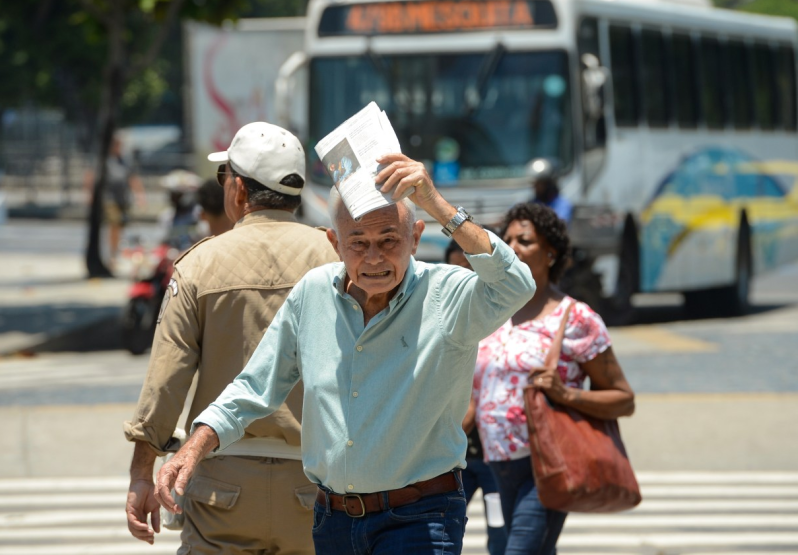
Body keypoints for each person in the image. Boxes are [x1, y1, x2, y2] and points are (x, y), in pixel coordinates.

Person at [153, 153, 537, 555]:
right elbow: (255, 386)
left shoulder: (447, 294)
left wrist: (436, 202)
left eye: (389, 240)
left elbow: (515, 286)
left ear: (416, 237)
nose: (373, 258)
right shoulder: (312, 292)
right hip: (333, 520)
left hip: (421, 516)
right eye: (358, 243)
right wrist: (194, 446)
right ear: (334, 243)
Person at [123, 121, 340, 554]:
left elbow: (167, 380)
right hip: (316, 481)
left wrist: (142, 474)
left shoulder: (200, 264)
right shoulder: (337, 258)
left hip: (220, 482)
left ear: (238, 190)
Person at [472, 202, 635, 555]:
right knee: (503, 549)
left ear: (551, 254)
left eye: (525, 241)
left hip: (545, 464)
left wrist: (565, 394)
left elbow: (623, 398)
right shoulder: (489, 311)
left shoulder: (575, 318)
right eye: (507, 239)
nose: (512, 247)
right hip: (492, 465)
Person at [446, 239, 508, 555]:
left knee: (500, 535)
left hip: (495, 457)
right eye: (456, 267)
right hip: (456, 460)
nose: (464, 275)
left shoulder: (503, 322)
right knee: (445, 533)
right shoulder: (441, 321)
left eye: (471, 268)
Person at [94, 135, 145, 264]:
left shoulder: (125, 160)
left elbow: (133, 178)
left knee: (119, 227)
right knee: (114, 224)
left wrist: (140, 196)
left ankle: (114, 251)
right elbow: (92, 176)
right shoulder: (105, 160)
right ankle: (112, 254)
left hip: (123, 198)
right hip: (109, 198)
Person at [529, 160, 572, 225]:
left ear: (548, 184)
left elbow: (560, 225)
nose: (535, 188)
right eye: (535, 184)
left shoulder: (562, 205)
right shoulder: (532, 203)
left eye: (540, 184)